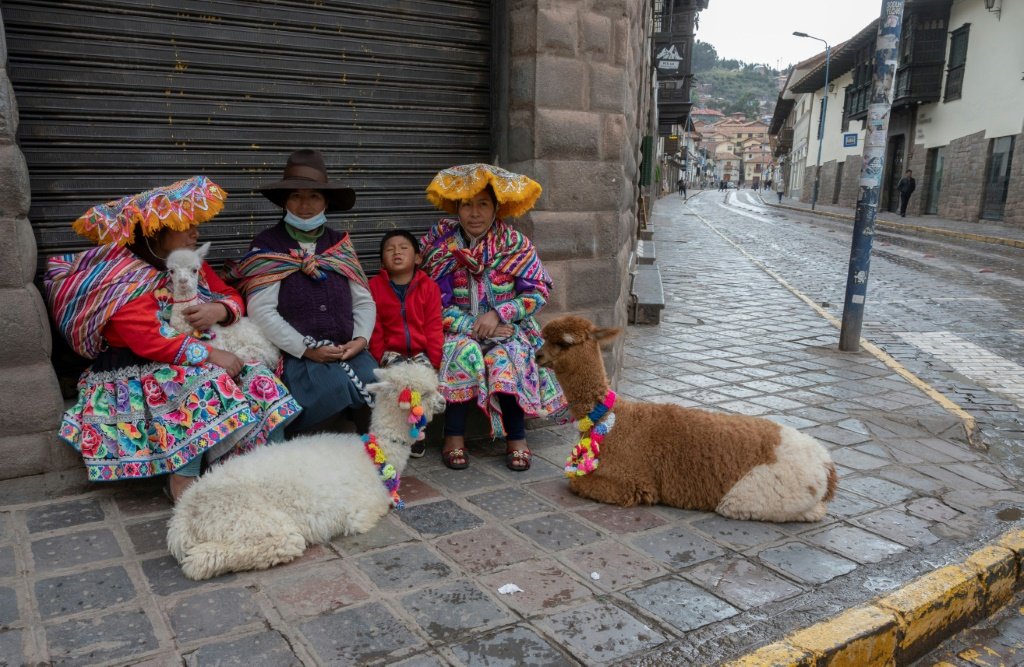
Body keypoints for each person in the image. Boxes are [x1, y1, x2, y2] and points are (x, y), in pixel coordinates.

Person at [44, 176, 300, 502]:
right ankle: (183, 483)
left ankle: (267, 466)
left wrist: (218, 310)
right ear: (155, 233)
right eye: (185, 225)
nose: (196, 232)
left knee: (259, 378)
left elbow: (230, 294)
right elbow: (148, 339)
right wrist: (210, 355)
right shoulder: (123, 279)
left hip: (191, 352)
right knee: (203, 385)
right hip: (138, 368)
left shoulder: (187, 264)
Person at [420, 164, 567, 471]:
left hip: (508, 329)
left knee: (508, 357)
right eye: (467, 204)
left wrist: (500, 315)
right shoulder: (440, 249)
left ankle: (516, 438)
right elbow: (431, 300)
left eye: (483, 204)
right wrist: (471, 327)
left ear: (497, 208)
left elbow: (538, 292)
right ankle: (454, 437)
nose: (475, 213)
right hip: (458, 327)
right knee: (462, 353)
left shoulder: (516, 245)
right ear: (457, 209)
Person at [228, 149, 377, 435]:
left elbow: (363, 301)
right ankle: (308, 461)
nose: (304, 205)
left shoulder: (340, 244)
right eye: (296, 196)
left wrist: (360, 340)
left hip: (348, 349)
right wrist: (306, 348)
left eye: (314, 196)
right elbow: (262, 311)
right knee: (329, 389)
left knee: (374, 382)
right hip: (298, 355)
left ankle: (373, 461)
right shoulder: (268, 245)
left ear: (326, 203)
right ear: (285, 202)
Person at [368, 230, 443, 457]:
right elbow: (375, 327)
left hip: (421, 353)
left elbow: (433, 326)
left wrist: (434, 359)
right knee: (397, 389)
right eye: (390, 249)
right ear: (382, 261)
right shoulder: (374, 287)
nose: (397, 252)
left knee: (420, 388)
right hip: (391, 353)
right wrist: (380, 355)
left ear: (418, 258)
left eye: (403, 248)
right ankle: (394, 433)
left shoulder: (429, 287)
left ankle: (417, 433)